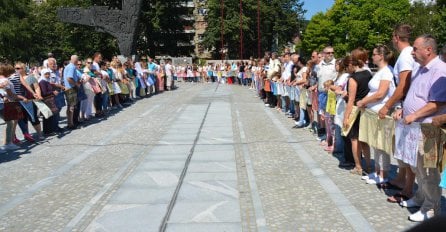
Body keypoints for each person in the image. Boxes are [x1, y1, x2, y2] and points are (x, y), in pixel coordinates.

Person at [398, 35, 446, 222]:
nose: (412, 51)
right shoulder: (420, 68)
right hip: (414, 126)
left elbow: (436, 103)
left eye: (415, 48)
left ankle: (431, 207)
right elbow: (416, 95)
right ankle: (421, 197)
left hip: (428, 128)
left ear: (428, 50)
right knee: (416, 166)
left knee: (428, 170)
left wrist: (413, 115)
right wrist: (403, 109)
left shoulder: (440, 70)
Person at [381, 24, 419, 204]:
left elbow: (404, 85)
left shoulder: (405, 57)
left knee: (407, 149)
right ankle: (401, 179)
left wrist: (387, 105)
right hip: (407, 105)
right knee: (402, 147)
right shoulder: (410, 52)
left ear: (396, 37)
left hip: (407, 107)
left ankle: (408, 188)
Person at [356, 45, 396, 184]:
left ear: (381, 56)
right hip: (373, 112)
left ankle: (384, 174)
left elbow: (380, 93)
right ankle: (377, 172)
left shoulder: (387, 72)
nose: (372, 56)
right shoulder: (380, 71)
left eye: (374, 54)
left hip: (381, 112)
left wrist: (363, 101)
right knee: (375, 143)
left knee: (382, 145)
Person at [343, 48, 372, 176]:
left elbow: (351, 100)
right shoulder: (367, 73)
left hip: (356, 111)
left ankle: (358, 166)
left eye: (346, 68)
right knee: (365, 140)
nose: (346, 71)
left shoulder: (353, 79)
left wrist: (346, 117)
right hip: (366, 109)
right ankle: (369, 166)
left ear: (350, 65)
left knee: (355, 140)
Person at [63, 55, 80, 130]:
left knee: (70, 107)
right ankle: (71, 124)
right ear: (76, 60)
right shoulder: (72, 67)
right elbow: (69, 78)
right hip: (71, 89)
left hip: (69, 88)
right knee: (71, 107)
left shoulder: (69, 66)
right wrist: (76, 84)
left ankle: (70, 122)